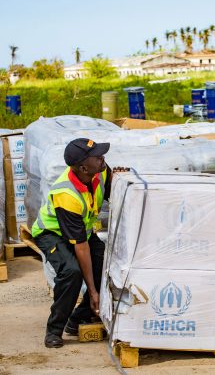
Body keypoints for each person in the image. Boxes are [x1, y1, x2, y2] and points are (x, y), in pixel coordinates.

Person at [32, 138, 112, 348]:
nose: (102, 157)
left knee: (105, 264)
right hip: (52, 233)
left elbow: (118, 194)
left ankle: (77, 319)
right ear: (83, 167)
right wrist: (93, 291)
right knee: (71, 272)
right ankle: (54, 330)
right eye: (97, 156)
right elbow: (80, 246)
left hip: (81, 231)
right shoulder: (66, 194)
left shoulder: (101, 171)